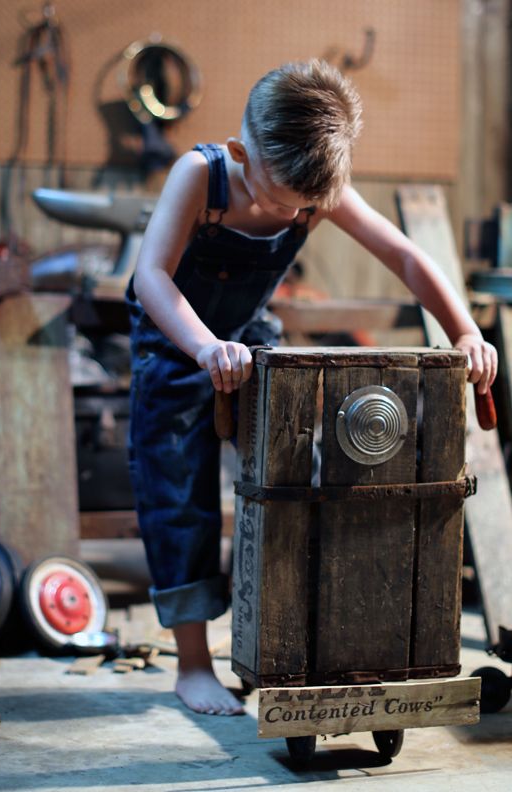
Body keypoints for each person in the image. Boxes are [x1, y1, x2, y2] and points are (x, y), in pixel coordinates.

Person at [125, 59, 498, 717]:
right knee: (176, 498)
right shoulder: (200, 174)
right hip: (177, 344)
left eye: (302, 208)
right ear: (242, 153)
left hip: (249, 342)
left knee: (291, 487)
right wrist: (203, 346)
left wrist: (463, 329)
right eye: (277, 201)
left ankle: (282, 639)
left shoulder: (314, 192)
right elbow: (151, 275)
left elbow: (407, 256)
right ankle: (191, 664)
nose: (288, 214)